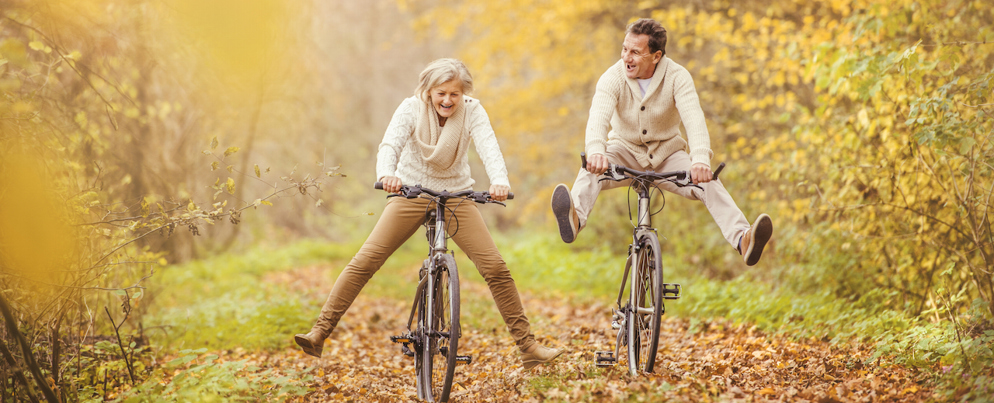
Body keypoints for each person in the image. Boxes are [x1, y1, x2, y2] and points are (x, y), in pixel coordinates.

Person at [295, 58, 564, 369]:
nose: (448, 101)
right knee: (366, 260)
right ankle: (319, 333)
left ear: (464, 94)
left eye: (455, 94)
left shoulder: (473, 110)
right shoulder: (410, 108)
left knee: (495, 267)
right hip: (410, 191)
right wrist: (387, 174)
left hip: (457, 195)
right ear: (428, 92)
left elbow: (489, 146)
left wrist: (500, 180)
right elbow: (390, 145)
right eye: (441, 94)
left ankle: (528, 346)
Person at [551, 18, 773, 266]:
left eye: (635, 52)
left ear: (656, 56)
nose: (627, 57)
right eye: (625, 49)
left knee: (709, 182)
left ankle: (742, 239)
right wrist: (595, 151)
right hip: (623, 151)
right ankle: (575, 219)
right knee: (589, 171)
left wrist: (700, 159)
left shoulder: (678, 77)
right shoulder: (612, 77)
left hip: (668, 155)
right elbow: (598, 118)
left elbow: (694, 120)